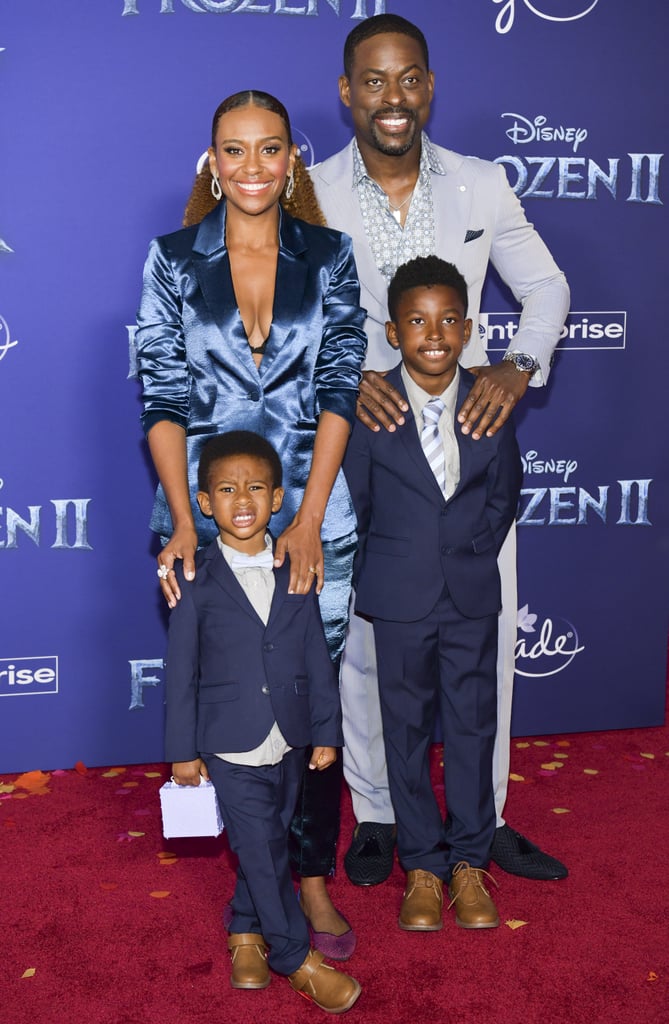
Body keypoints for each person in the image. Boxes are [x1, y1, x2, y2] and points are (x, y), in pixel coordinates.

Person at [310, 14, 570, 886]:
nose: (394, 98)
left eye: (409, 79)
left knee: (480, 641)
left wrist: (518, 365)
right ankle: (379, 815)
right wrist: (340, 380)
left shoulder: (482, 184)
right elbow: (284, 318)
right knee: (364, 647)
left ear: (429, 86)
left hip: (462, 447)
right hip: (361, 446)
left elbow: (545, 285)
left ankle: (480, 820)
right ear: (347, 92)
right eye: (374, 81)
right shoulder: (307, 193)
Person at [136, 90, 367, 957]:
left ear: (292, 160)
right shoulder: (170, 259)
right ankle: (255, 893)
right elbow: (161, 397)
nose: (252, 168)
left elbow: (338, 388)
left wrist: (308, 519)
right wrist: (187, 520)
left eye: (270, 149)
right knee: (233, 708)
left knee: (304, 712)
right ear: (212, 162)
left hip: (315, 516)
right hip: (207, 518)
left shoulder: (330, 255)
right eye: (233, 152)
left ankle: (303, 881)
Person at [343, 256, 522, 930]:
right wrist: (380, 574)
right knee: (406, 732)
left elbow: (503, 495)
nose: (434, 333)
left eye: (448, 319)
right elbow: (352, 507)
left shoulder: (489, 402)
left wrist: (470, 554)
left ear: (469, 327)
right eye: (416, 321)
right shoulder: (371, 408)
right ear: (392, 332)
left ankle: (469, 862)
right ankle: (421, 862)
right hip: (397, 599)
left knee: (474, 729)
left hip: (471, 595)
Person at [165, 431, 361, 1012]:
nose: (242, 499)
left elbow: (315, 658)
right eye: (226, 489)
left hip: (291, 738)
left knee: (267, 841)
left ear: (278, 498)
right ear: (204, 503)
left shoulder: (295, 567)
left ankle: (244, 929)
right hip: (226, 742)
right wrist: (182, 749)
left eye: (255, 488)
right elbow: (180, 675)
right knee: (266, 848)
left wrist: (326, 729)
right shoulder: (193, 578)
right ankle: (294, 956)